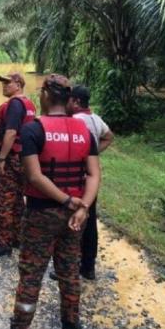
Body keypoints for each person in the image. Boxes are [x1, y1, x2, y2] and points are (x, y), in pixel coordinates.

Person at [0, 74, 101, 329]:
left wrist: (66, 201)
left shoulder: (33, 130)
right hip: (75, 216)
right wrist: (83, 206)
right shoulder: (84, 131)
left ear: (46, 97)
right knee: (69, 270)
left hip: (42, 213)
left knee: (31, 273)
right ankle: (71, 328)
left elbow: (35, 176)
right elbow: (94, 175)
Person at [50, 85, 114, 280]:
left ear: (75, 101)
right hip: (91, 178)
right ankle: (88, 267)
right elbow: (109, 137)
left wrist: (81, 158)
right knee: (90, 219)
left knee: (73, 220)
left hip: (76, 177)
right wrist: (92, 156)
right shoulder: (95, 119)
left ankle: (70, 266)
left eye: (69, 100)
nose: (66, 103)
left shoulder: (74, 121)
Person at [0, 73, 37, 257]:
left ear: (18, 84)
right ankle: (17, 238)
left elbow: (11, 133)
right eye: (3, 82)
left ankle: (4, 243)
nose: (4, 86)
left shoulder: (14, 104)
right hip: (25, 160)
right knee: (17, 201)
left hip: (13, 157)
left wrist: (2, 159)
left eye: (8, 83)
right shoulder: (30, 105)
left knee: (4, 201)